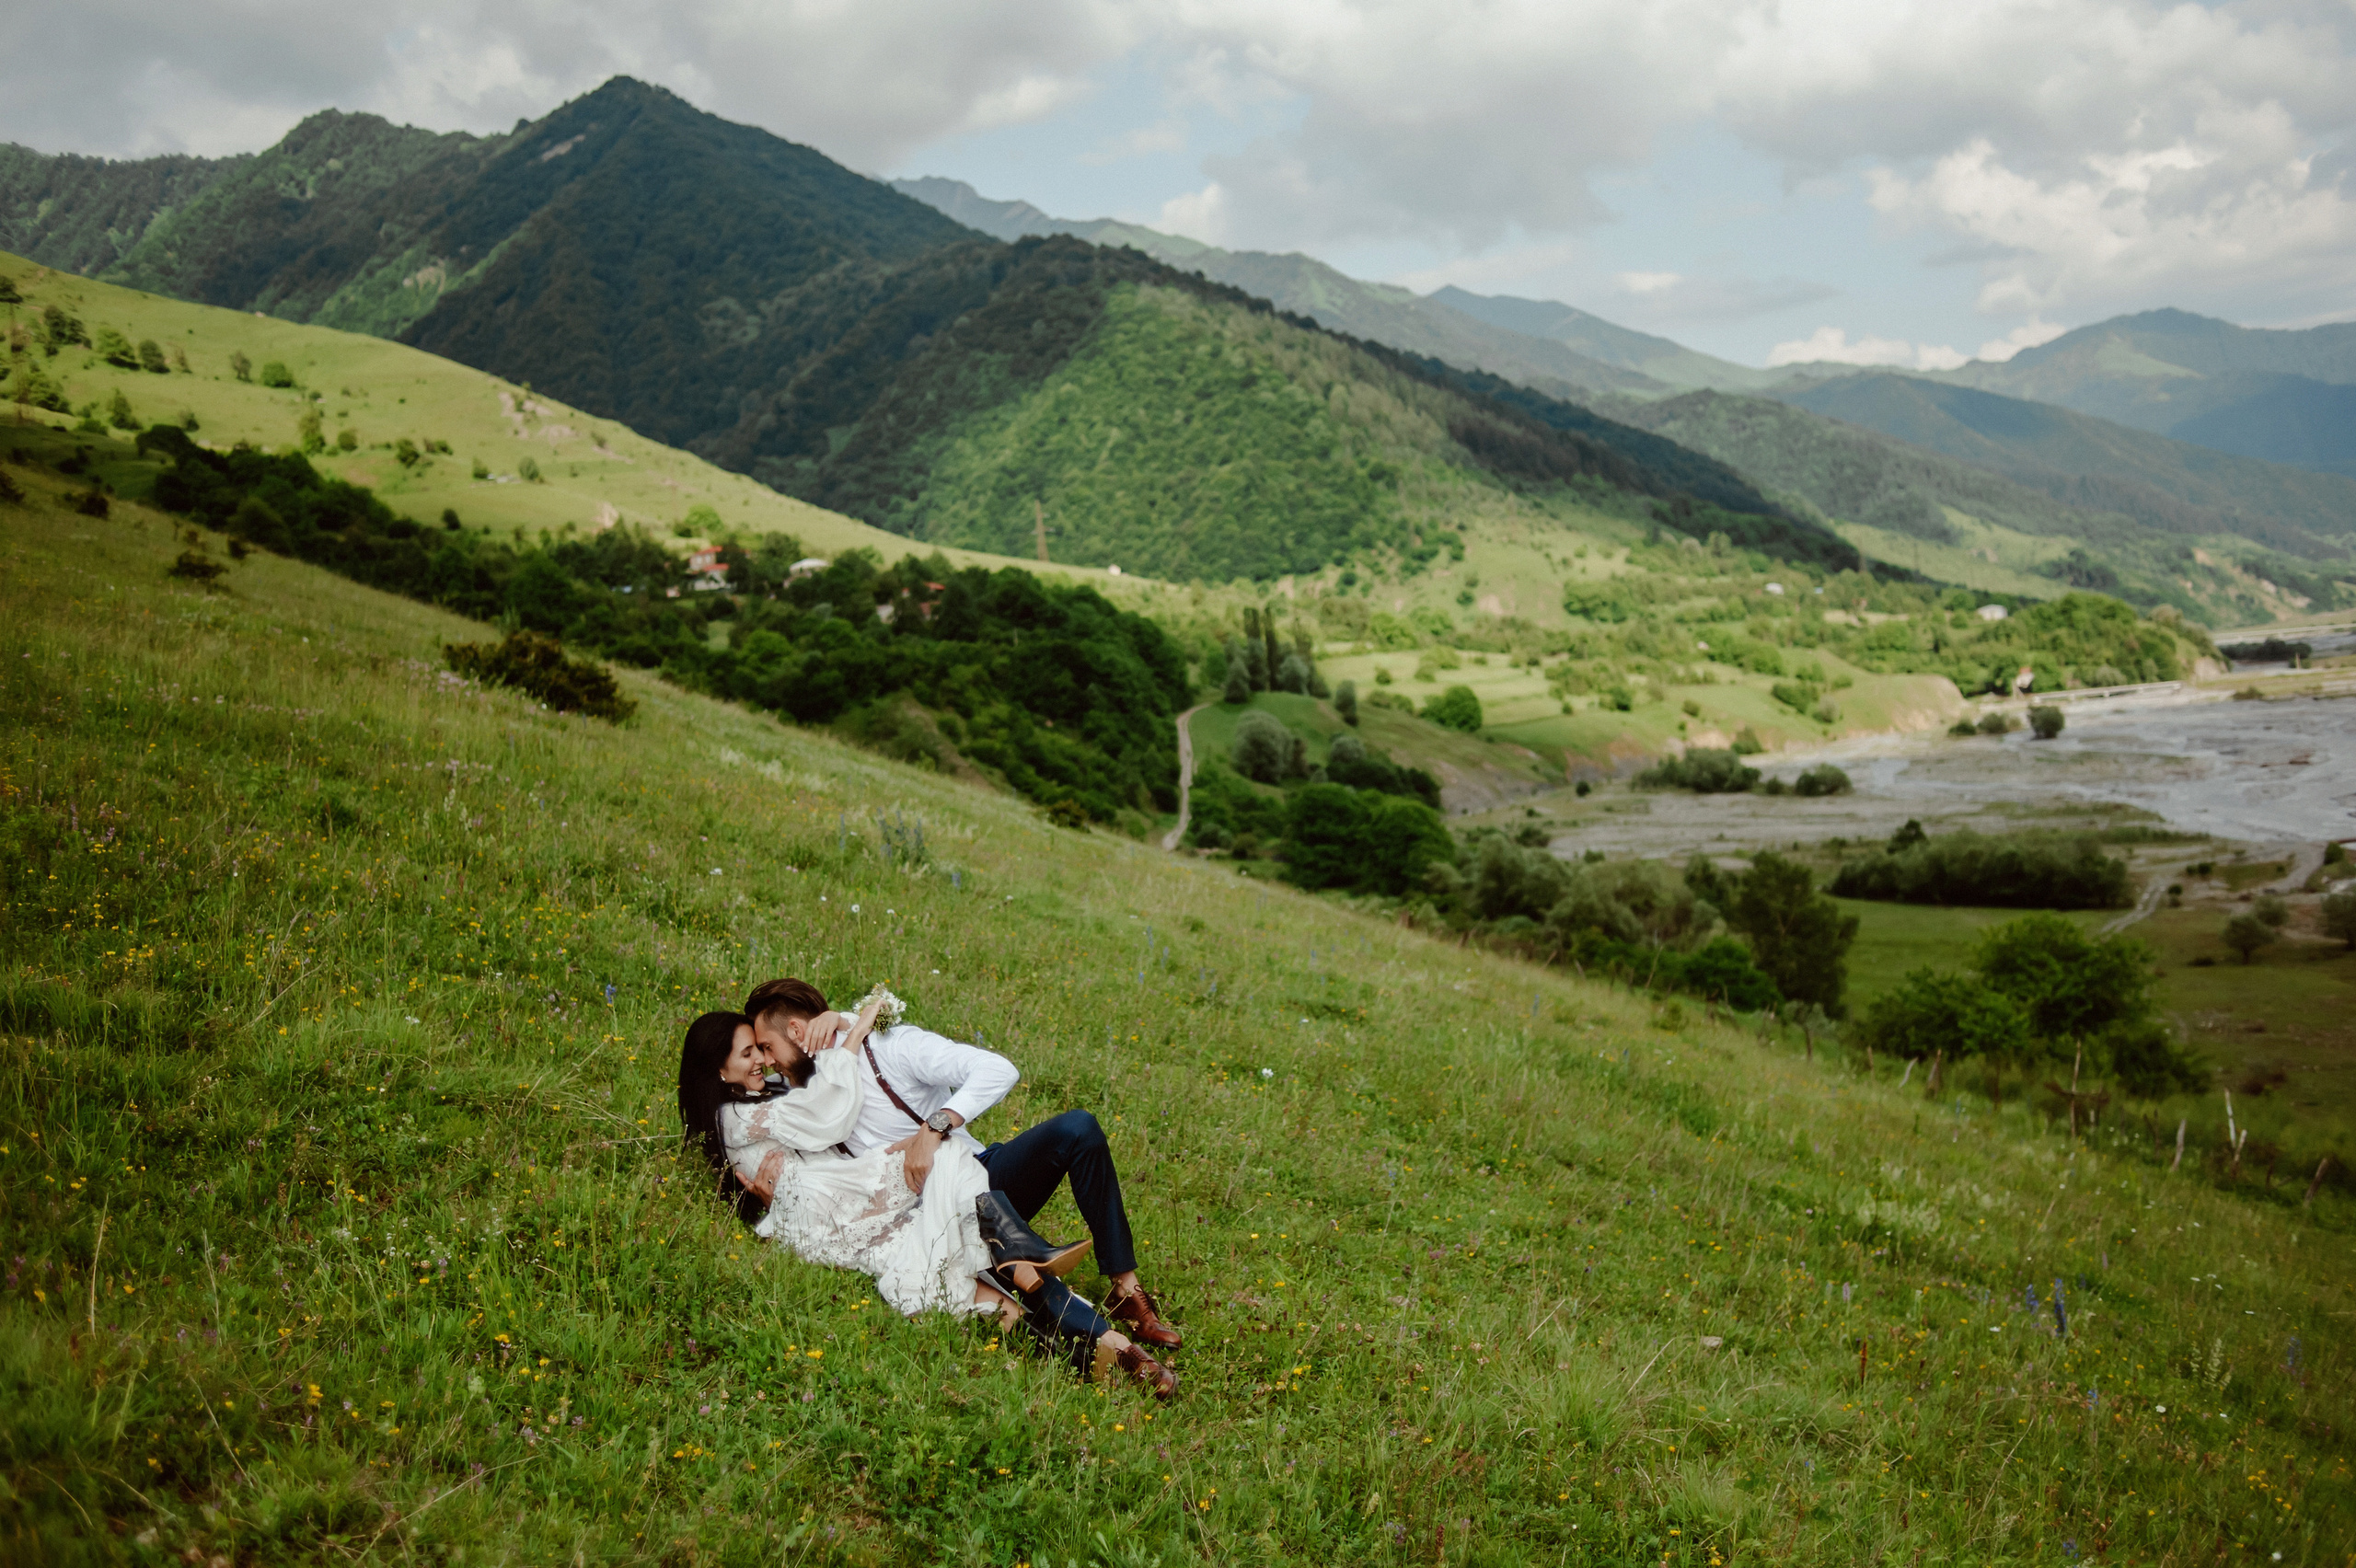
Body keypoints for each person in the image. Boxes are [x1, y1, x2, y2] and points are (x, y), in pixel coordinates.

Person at [676, 1006, 1175, 1396]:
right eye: (750, 1053)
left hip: (894, 1192)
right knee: (966, 1243)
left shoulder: (882, 1049)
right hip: (851, 1206)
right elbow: (823, 1112)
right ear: (718, 1071)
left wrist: (923, 1120)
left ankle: (1105, 1333)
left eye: (764, 1047)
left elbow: (994, 1071)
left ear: (798, 1028)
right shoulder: (758, 1108)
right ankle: (1104, 1343)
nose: (764, 1060)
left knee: (958, 1181)